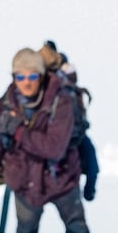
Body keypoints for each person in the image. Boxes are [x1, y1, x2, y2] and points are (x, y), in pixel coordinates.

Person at [0, 48, 91, 233]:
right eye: (20, 76)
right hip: (24, 181)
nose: (26, 82)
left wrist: (18, 131)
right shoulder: (5, 104)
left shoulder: (61, 101)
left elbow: (54, 148)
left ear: (41, 76)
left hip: (62, 180)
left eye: (32, 76)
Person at [39, 40, 100, 201]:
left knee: (91, 163)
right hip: (51, 136)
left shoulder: (66, 74)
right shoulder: (41, 77)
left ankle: (88, 191)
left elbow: (72, 76)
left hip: (74, 135)